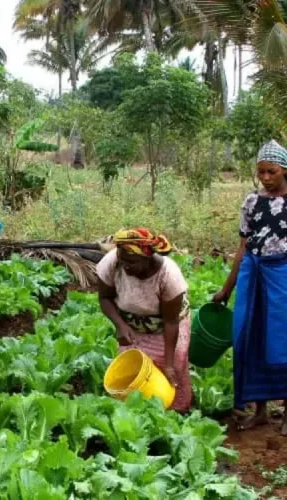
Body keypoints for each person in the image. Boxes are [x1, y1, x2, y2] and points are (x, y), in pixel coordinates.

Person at [213, 139, 287, 434]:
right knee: (248, 337)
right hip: (252, 275)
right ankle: (260, 411)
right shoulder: (252, 202)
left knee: (281, 342)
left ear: (284, 170)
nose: (266, 178)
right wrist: (227, 288)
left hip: (282, 276)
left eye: (272, 172)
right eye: (261, 173)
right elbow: (242, 248)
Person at [96, 228, 192, 412]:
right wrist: (121, 326)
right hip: (131, 324)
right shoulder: (112, 263)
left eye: (131, 262)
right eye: (122, 260)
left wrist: (170, 363)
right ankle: (137, 414)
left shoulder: (168, 276)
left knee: (171, 370)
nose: (125, 266)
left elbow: (171, 322)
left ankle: (178, 413)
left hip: (167, 325)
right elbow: (105, 298)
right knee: (133, 370)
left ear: (147, 258)